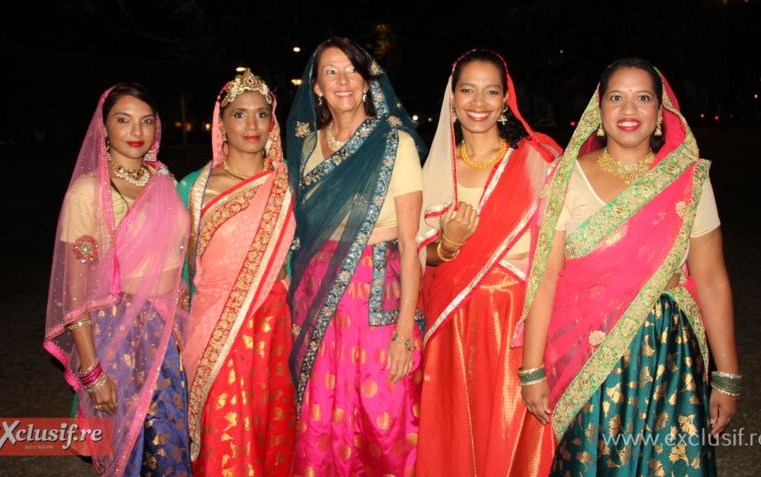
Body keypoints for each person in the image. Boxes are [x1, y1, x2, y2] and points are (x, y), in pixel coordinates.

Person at [520, 58, 740, 476]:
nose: (629, 109)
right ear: (599, 109)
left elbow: (712, 280)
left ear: (661, 111)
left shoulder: (689, 179)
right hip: (586, 349)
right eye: (616, 97)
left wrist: (726, 376)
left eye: (643, 98)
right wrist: (532, 370)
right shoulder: (565, 175)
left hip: (669, 351)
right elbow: (545, 278)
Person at [415, 49, 562, 476]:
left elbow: (557, 256)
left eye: (491, 91)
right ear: (452, 98)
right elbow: (416, 254)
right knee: (455, 438)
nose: (478, 102)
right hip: (451, 324)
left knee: (510, 435)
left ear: (506, 99)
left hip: (518, 324)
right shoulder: (434, 170)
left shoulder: (538, 161)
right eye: (468, 90)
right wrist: (448, 245)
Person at [285, 36, 428, 476]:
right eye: (331, 72)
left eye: (352, 70)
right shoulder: (307, 146)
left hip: (376, 294)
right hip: (318, 295)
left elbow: (411, 244)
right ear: (316, 86)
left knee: (383, 413)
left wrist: (404, 333)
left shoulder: (394, 143)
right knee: (322, 412)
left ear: (368, 82)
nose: (343, 80)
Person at [44, 83, 192, 476]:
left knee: (170, 444)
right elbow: (74, 293)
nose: (136, 131)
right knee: (130, 447)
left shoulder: (163, 180)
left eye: (146, 121)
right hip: (120, 334)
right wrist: (92, 374)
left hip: (169, 330)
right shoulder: (88, 191)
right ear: (104, 128)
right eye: (123, 120)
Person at [177, 69, 296, 476]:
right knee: (225, 424)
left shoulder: (289, 184)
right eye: (239, 114)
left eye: (261, 114)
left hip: (275, 325)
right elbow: (179, 271)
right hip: (214, 326)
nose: (251, 125)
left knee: (270, 424)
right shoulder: (193, 189)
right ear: (221, 123)